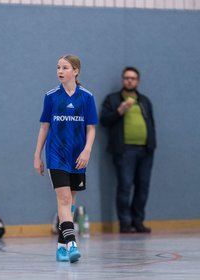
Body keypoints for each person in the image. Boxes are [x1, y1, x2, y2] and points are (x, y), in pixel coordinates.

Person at [34, 54, 98, 262]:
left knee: (69, 203)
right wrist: (37, 155)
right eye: (58, 67)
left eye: (65, 67)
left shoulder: (86, 97)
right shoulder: (51, 96)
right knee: (63, 199)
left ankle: (61, 246)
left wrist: (87, 150)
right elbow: (45, 127)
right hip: (56, 155)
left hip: (77, 156)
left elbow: (91, 128)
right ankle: (72, 244)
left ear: (76, 71)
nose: (60, 71)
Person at [100, 67, 156, 233]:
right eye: (126, 78)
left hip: (145, 151)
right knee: (125, 186)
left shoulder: (144, 100)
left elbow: (151, 123)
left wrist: (152, 145)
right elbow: (104, 120)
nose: (129, 80)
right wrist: (120, 111)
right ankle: (125, 222)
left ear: (138, 81)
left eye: (133, 78)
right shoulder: (113, 99)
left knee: (142, 186)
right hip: (124, 150)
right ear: (123, 80)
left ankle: (138, 221)